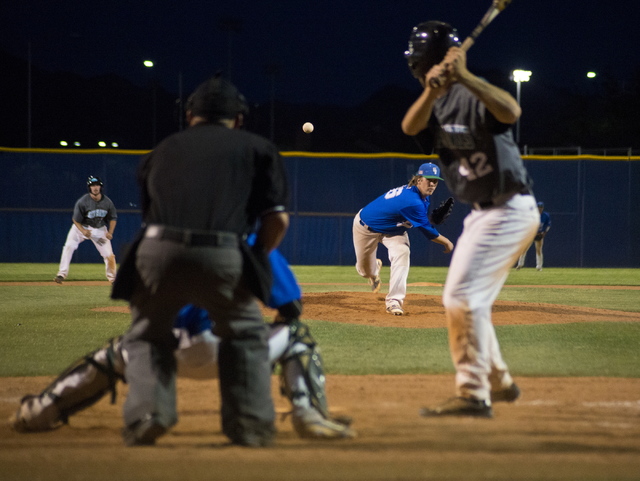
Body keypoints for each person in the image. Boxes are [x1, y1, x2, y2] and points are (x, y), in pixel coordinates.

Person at [110, 75, 290, 447]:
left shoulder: (162, 150)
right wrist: (255, 259)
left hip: (156, 250)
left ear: (189, 115)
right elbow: (276, 220)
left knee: (145, 335)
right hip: (223, 251)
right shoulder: (258, 147)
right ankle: (250, 426)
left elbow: (151, 217)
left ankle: (148, 414)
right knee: (245, 333)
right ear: (238, 119)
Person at [8, 248, 356, 440]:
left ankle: (40, 410)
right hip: (227, 352)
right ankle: (307, 413)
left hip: (155, 354)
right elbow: (291, 308)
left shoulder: (153, 235)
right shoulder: (244, 232)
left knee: (112, 353)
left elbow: (133, 301)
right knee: (297, 336)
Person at [401, 21, 539, 417]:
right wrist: (433, 88)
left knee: (461, 298)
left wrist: (464, 76)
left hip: (510, 208)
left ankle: (473, 393)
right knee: (466, 300)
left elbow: (511, 110)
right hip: (482, 215)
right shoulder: (434, 104)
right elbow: (410, 126)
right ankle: (498, 381)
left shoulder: (472, 93)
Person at [353, 162, 454, 316]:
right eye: (429, 180)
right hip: (366, 227)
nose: (433, 184)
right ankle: (374, 272)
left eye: (435, 181)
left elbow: (412, 219)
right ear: (419, 180)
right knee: (365, 272)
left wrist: (430, 221)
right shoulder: (412, 200)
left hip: (394, 231)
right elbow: (428, 232)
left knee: (402, 252)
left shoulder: (421, 196)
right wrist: (447, 242)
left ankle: (394, 301)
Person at [54, 176, 117, 284]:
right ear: (89, 188)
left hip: (99, 230)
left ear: (100, 187)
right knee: (69, 246)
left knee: (108, 254)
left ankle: (113, 279)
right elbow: (75, 219)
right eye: (92, 185)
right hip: (81, 229)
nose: (95, 187)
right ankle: (61, 274)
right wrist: (83, 231)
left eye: (97, 185)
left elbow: (113, 218)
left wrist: (110, 232)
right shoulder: (83, 201)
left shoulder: (107, 202)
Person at [516, 202, 551, 271]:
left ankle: (539, 267)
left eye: (541, 208)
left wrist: (544, 233)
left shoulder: (545, 215)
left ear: (543, 208)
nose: (539, 209)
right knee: (524, 249)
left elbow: (548, 225)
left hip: (539, 234)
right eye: (538, 208)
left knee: (539, 250)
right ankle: (520, 264)